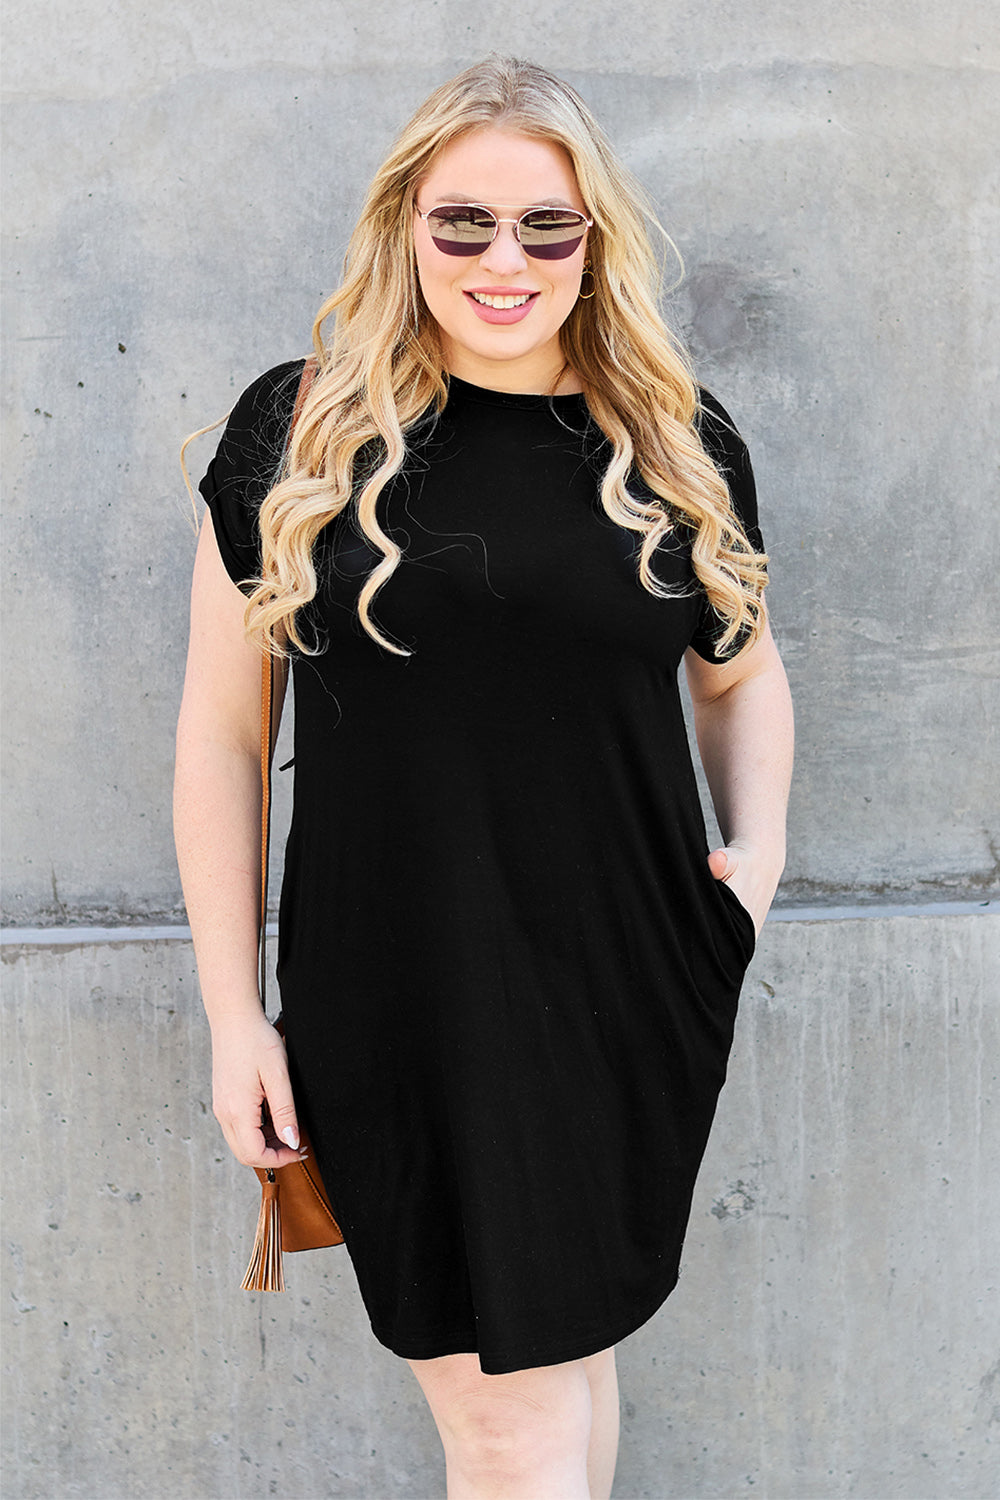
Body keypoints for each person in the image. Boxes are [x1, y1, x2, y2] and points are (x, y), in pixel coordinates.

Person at [175, 54, 793, 1500]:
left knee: (572, 1368)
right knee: (511, 1421)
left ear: (594, 240)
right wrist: (230, 1011)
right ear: (403, 224)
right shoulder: (302, 433)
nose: (502, 260)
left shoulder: (676, 443)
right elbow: (218, 735)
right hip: (399, 991)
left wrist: (751, 868)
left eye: (545, 227)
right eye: (463, 223)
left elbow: (744, 673)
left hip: (629, 984)